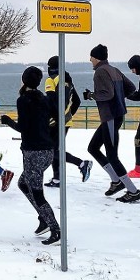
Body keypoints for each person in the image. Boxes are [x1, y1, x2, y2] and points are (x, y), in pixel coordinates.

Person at [1, 66, 61, 245]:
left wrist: (8, 121)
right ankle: (44, 218)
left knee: (37, 192)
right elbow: (55, 117)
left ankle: (55, 229)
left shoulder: (23, 100)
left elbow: (23, 128)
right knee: (23, 184)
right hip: (47, 151)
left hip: (33, 152)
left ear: (24, 80)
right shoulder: (43, 98)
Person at [84, 44, 140, 203]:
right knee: (93, 147)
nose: (90, 60)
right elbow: (131, 88)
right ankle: (116, 181)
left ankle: (133, 190)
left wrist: (91, 95)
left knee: (111, 155)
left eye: (91, 57)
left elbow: (106, 94)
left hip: (110, 117)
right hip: (115, 115)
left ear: (96, 58)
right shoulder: (114, 70)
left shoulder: (100, 72)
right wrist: (120, 99)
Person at [43, 55, 92, 187]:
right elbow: (76, 101)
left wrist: (52, 118)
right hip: (65, 122)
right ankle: (57, 179)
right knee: (56, 150)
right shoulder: (67, 80)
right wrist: (68, 116)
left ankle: (81, 163)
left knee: (51, 151)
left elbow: (51, 101)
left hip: (54, 121)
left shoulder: (51, 80)